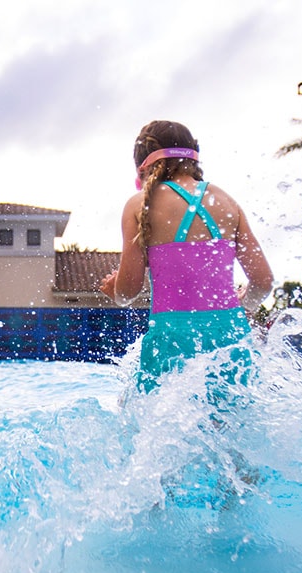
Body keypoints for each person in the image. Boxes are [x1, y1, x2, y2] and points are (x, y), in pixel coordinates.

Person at [100, 120, 273, 393]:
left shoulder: (140, 204)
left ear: (142, 167)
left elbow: (129, 290)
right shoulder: (227, 201)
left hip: (172, 339)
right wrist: (244, 304)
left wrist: (116, 291)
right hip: (232, 337)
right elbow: (263, 282)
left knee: (142, 412)